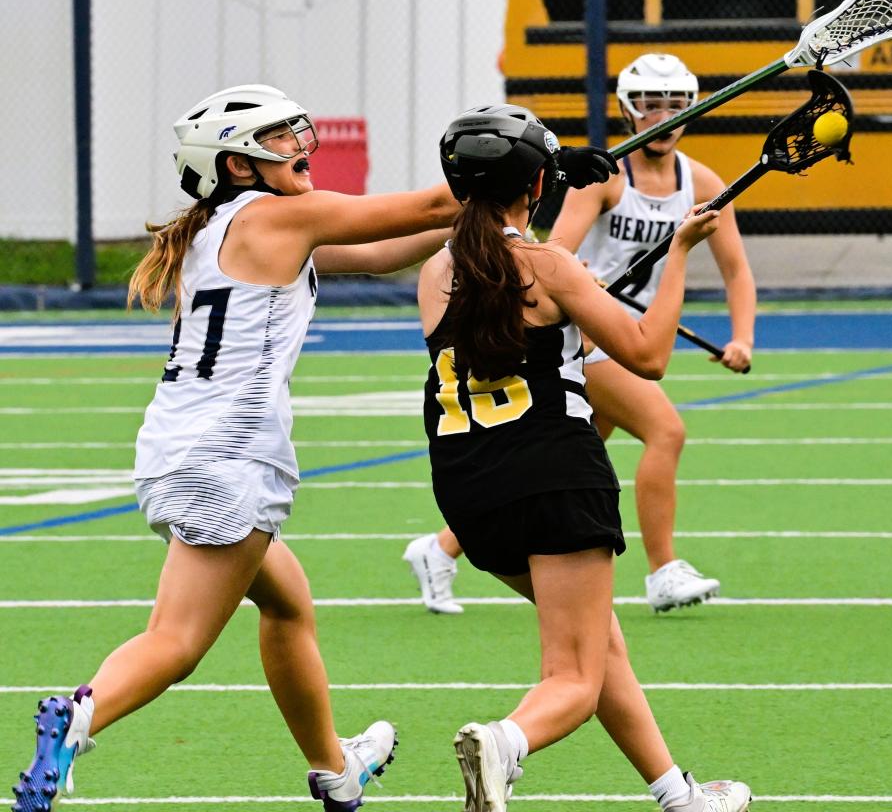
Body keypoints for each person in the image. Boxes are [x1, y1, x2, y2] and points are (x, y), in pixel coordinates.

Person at [10, 84, 461, 812]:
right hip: (227, 458)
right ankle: (78, 718)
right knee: (178, 642)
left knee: (287, 604)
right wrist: (524, 166)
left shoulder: (230, 230)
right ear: (239, 164)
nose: (298, 145)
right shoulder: (277, 216)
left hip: (179, 456)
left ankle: (334, 771)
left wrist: (500, 207)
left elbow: (386, 250)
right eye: (280, 138)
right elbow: (432, 206)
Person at [418, 104, 751, 812]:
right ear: (536, 187)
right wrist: (680, 251)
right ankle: (505, 742)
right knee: (573, 675)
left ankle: (679, 794)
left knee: (602, 646)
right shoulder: (550, 266)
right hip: (554, 477)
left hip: (469, 492)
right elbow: (648, 356)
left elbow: (516, 286)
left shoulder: (436, 271)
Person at [404, 53, 756, 614]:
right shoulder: (606, 179)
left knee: (591, 435)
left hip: (611, 320)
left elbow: (737, 268)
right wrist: (581, 296)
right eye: (648, 104)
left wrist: (743, 337)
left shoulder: (703, 182)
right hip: (584, 329)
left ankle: (441, 548)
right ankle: (663, 569)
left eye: (673, 104)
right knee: (667, 431)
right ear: (627, 109)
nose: (660, 115)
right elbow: (553, 253)